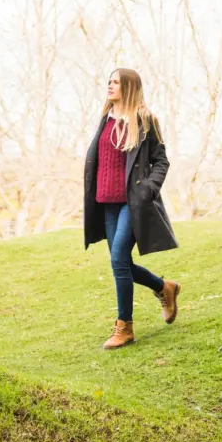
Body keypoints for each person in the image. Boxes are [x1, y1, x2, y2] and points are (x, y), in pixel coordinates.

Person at [83, 68, 180, 349]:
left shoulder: (145, 120)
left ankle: (124, 327)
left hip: (131, 203)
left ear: (129, 87)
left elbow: (161, 161)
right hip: (106, 203)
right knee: (121, 262)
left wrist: (147, 190)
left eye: (116, 82)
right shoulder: (105, 119)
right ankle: (164, 287)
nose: (110, 86)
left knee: (117, 261)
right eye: (108, 81)